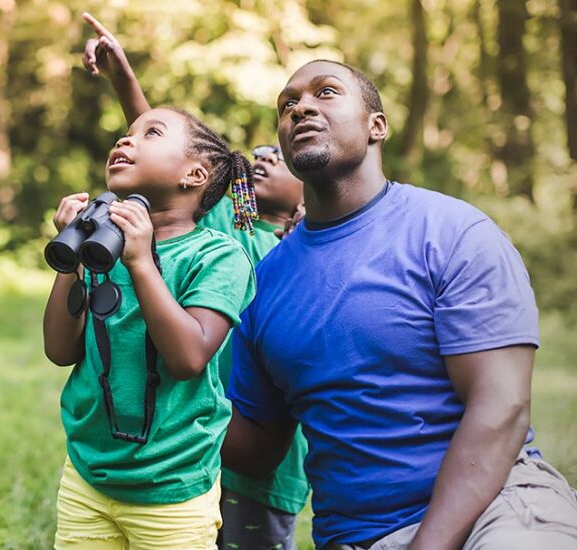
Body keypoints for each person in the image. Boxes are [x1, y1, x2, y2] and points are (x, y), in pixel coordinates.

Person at [222, 59, 577, 549]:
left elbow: (502, 407)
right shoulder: (264, 284)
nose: (300, 107)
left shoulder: (451, 232)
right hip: (358, 537)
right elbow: (258, 446)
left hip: (498, 508)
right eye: (288, 104)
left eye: (325, 93)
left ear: (377, 126)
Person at [81, 13, 310, 549]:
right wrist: (124, 82)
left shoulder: (305, 249)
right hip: (191, 433)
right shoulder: (230, 224)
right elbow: (171, 165)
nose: (265, 156)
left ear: (311, 189)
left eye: (281, 157)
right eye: (261, 153)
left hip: (263, 453)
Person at [43, 104, 257, 549]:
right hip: (89, 473)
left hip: (171, 485)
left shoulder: (217, 257)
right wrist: (70, 260)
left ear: (195, 175)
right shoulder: (101, 245)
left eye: (151, 133)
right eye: (126, 133)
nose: (126, 140)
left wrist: (141, 261)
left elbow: (188, 357)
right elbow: (60, 350)